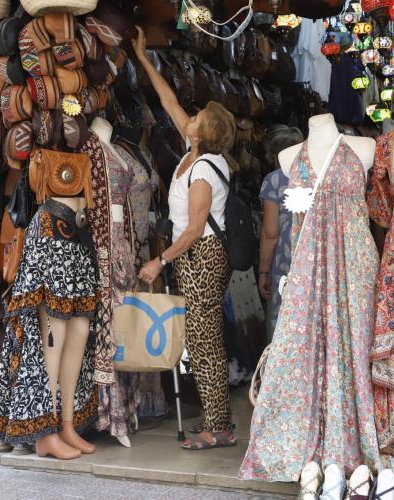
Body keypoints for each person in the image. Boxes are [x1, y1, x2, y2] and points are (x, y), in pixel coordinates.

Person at [132, 27, 237, 450]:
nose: (188, 116)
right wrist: (143, 58)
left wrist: (160, 261)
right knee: (201, 337)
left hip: (203, 255)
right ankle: (218, 419)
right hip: (196, 256)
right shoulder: (193, 153)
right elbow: (169, 102)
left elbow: (194, 229)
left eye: (197, 117)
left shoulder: (205, 168)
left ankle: (219, 427)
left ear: (202, 131)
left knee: (205, 340)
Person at [257, 127, 303, 341]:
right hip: (313, 257)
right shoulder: (316, 175)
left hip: (285, 262)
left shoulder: (274, 180)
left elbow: (271, 234)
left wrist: (263, 272)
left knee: (284, 323)